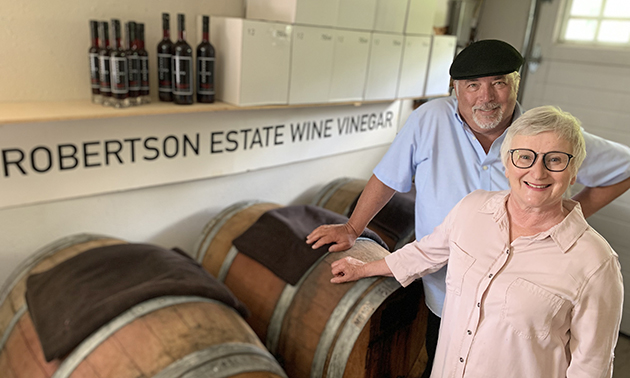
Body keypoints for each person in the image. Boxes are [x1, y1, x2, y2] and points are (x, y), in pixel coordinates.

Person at [306, 39, 630, 377]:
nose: (486, 97)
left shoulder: (546, 135)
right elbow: (423, 241)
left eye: (499, 83)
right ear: (455, 89)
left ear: (516, 84)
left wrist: (552, 216)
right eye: (473, 85)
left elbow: (591, 363)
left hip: (522, 315)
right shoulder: (435, 131)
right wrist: (354, 233)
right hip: (450, 297)